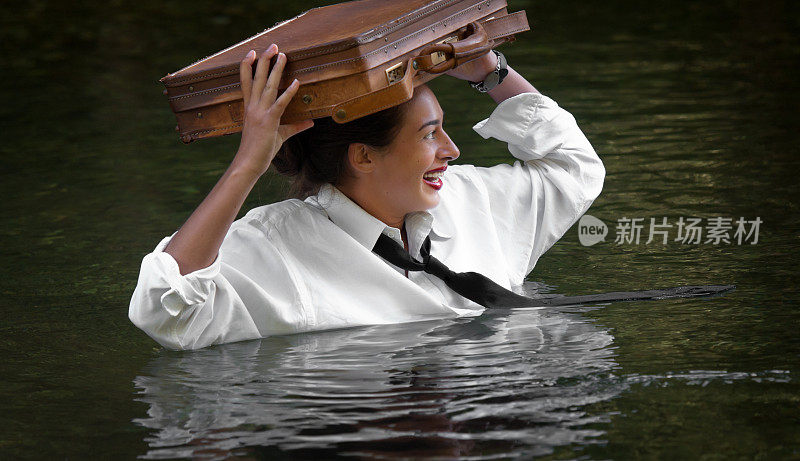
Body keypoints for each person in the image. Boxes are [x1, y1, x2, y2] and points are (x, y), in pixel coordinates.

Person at [129, 44, 605, 350]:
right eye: (429, 135)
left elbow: (575, 169)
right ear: (364, 156)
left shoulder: (470, 198)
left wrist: (490, 71)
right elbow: (164, 309)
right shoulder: (278, 247)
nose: (452, 150)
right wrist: (247, 163)